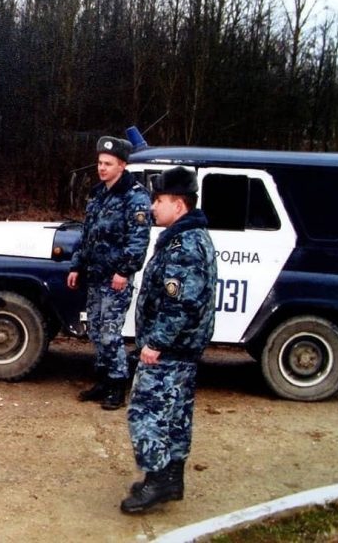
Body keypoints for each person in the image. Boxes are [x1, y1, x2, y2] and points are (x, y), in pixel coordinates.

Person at [120, 166, 217, 514]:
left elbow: (181, 302)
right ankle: (172, 478)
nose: (153, 207)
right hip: (183, 350)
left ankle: (156, 481)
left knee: (147, 413)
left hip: (170, 350)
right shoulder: (191, 237)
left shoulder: (184, 244)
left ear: (179, 205)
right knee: (176, 415)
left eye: (159, 200)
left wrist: (155, 342)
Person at [66, 137, 151, 410]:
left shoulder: (135, 197)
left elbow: (138, 241)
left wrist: (124, 272)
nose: (101, 168)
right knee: (95, 331)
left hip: (116, 278)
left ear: (122, 166)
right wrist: (76, 265)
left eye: (108, 164)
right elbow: (87, 234)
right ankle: (102, 380)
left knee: (110, 333)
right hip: (94, 275)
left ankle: (117, 384)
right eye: (100, 163)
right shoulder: (98, 194)